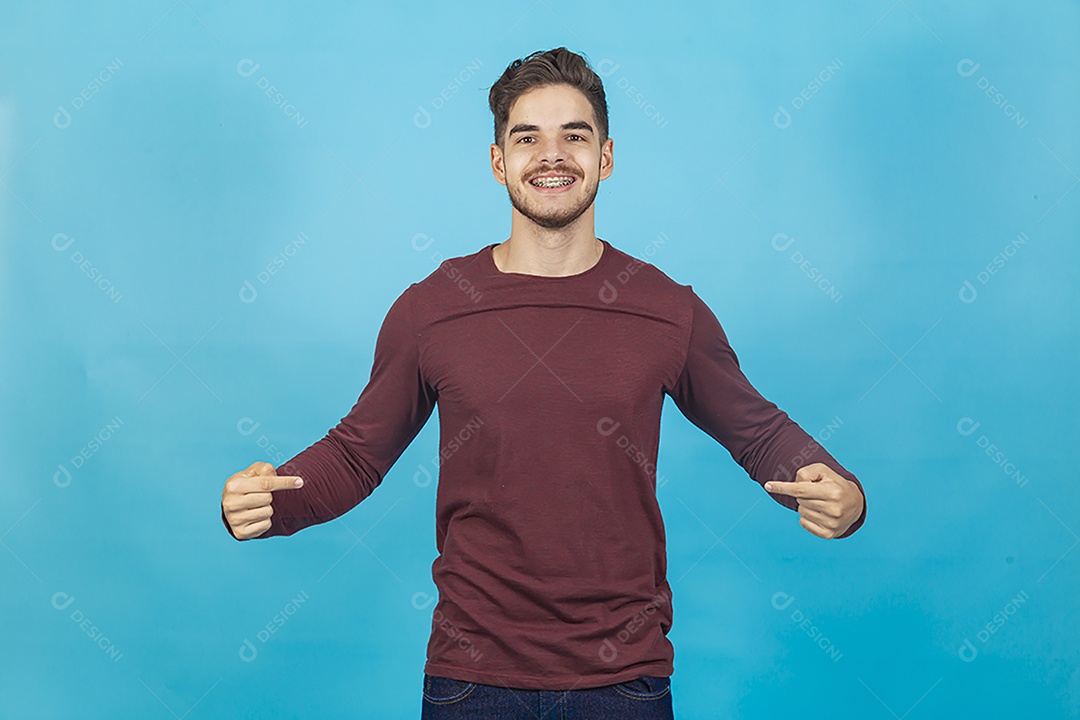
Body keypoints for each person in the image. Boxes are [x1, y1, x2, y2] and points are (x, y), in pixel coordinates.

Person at [220, 46, 867, 719]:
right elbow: (357, 453)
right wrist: (271, 504)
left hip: (625, 685)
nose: (551, 156)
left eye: (574, 136)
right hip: (470, 684)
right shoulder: (433, 308)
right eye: (527, 138)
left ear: (606, 157)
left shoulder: (667, 310)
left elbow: (758, 433)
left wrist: (840, 491)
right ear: (498, 161)